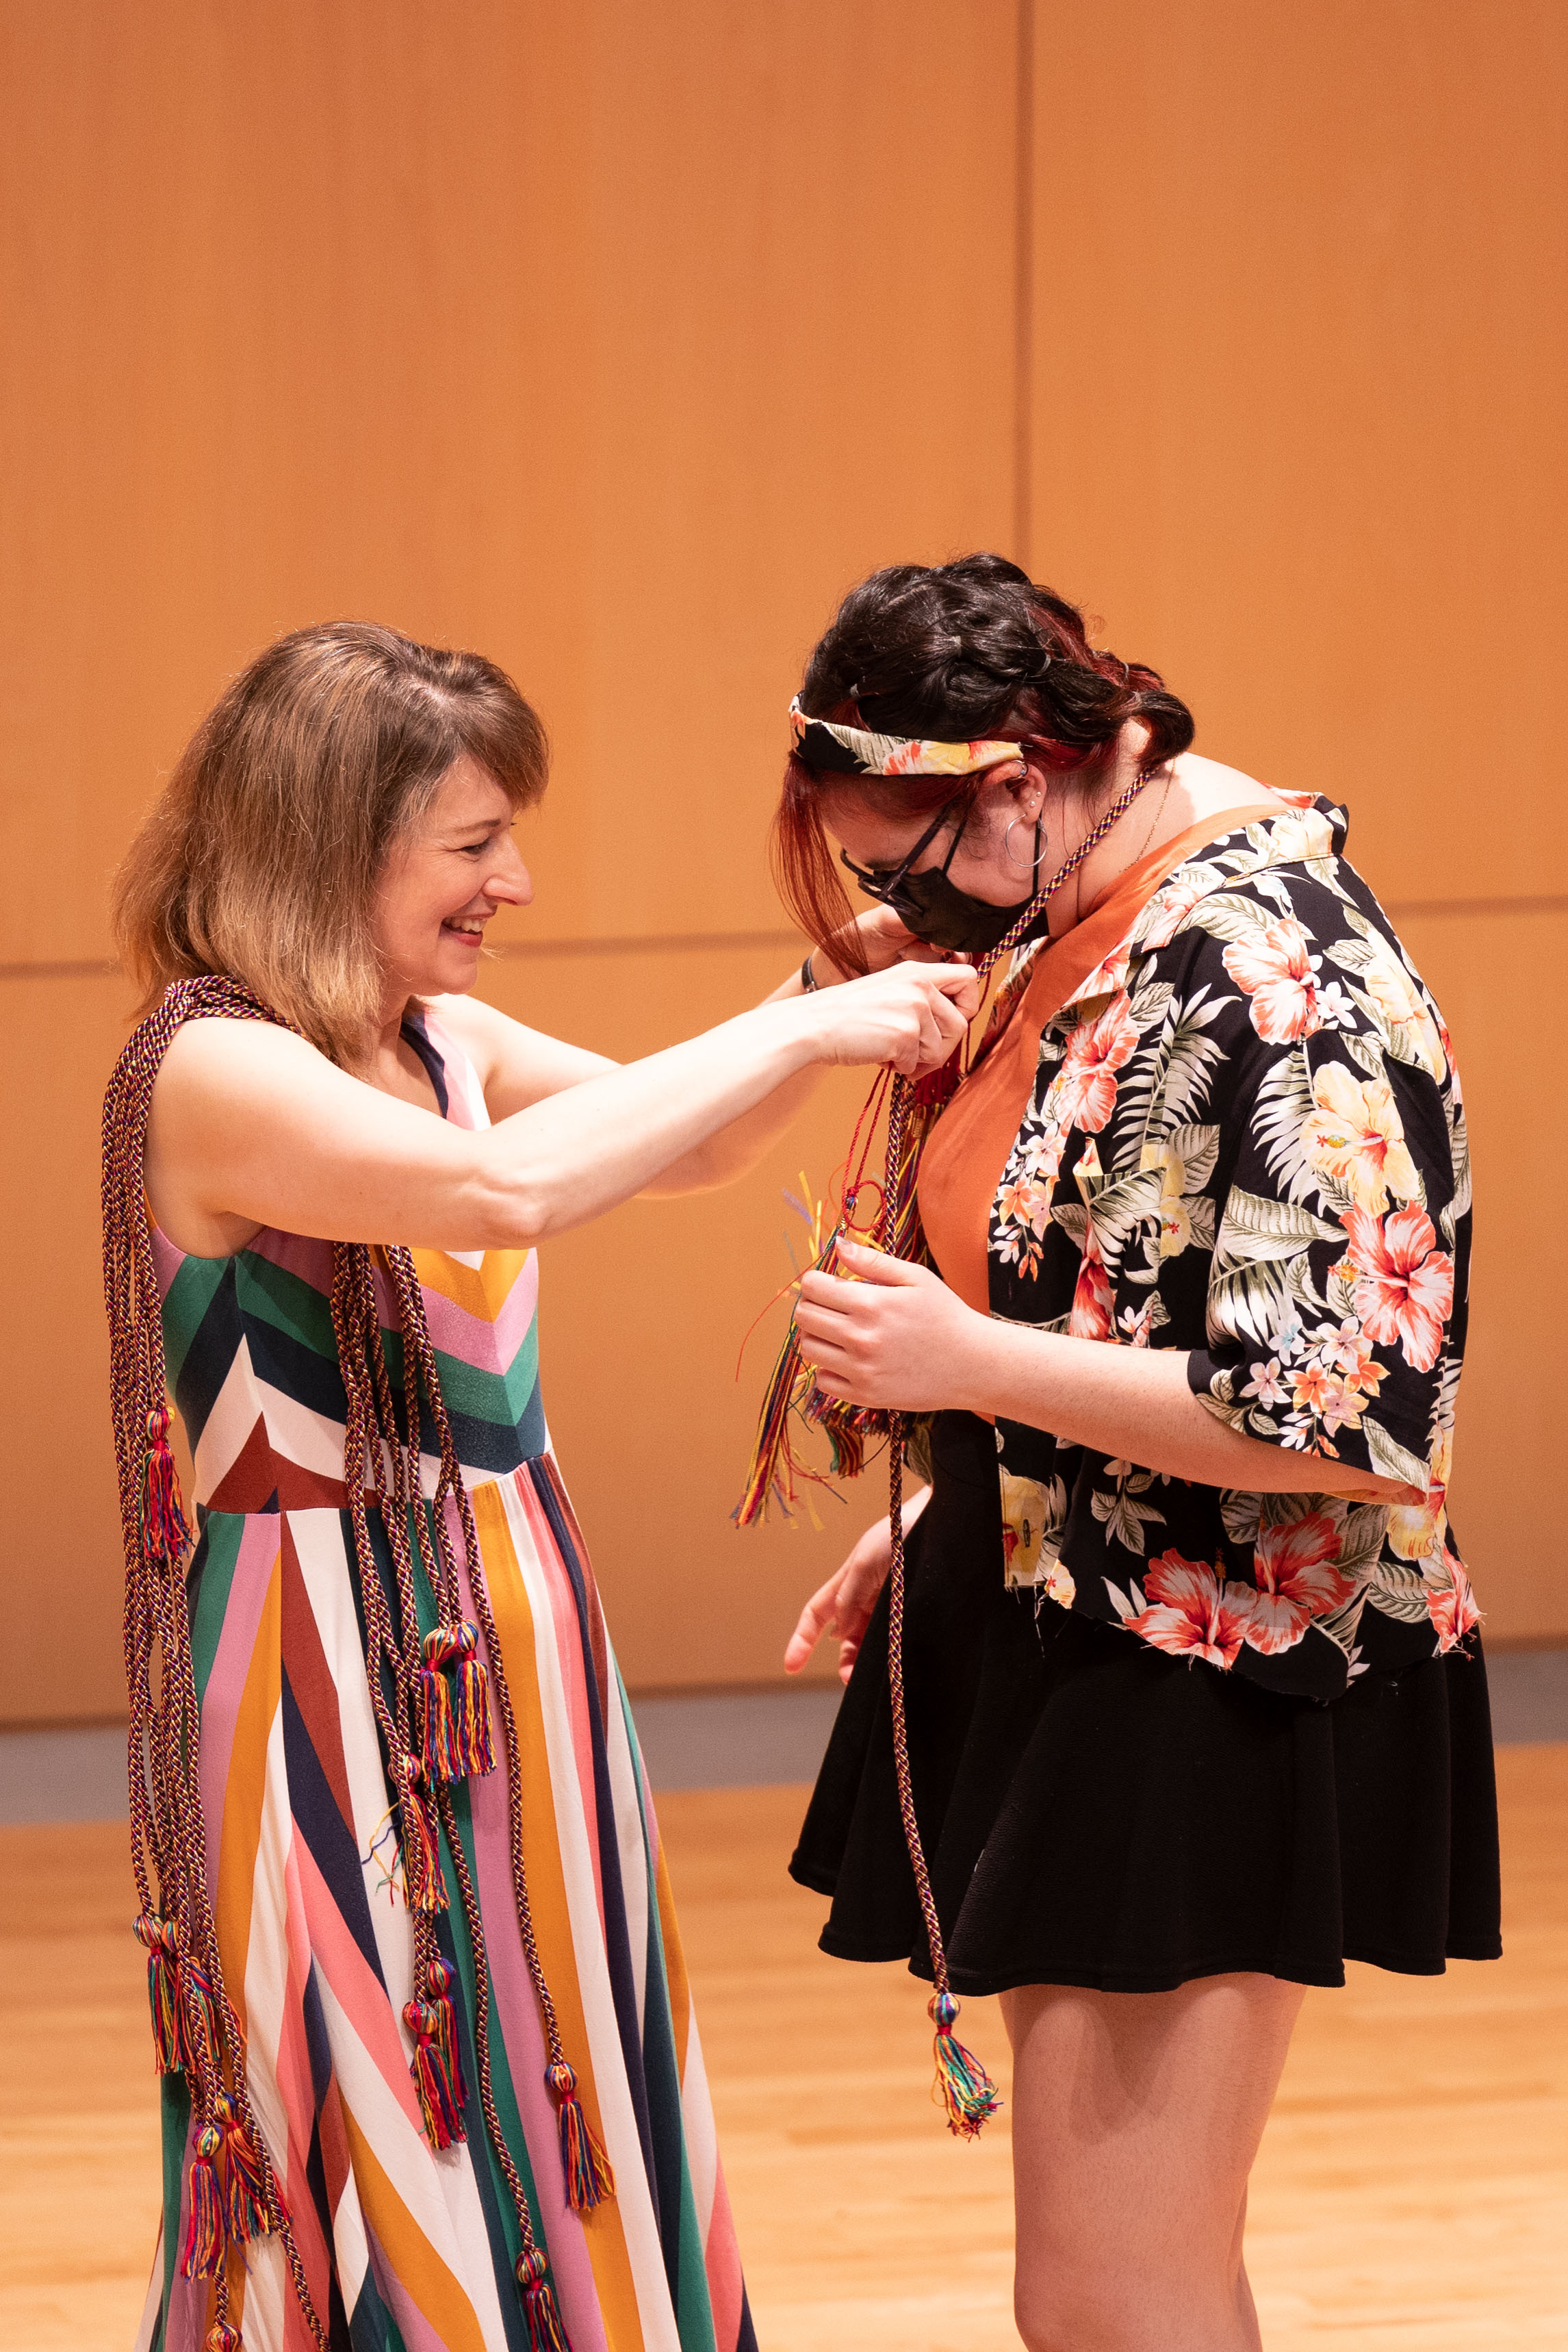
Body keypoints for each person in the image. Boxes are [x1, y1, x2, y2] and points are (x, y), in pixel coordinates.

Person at [105, 620, 977, 2352]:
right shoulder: (212, 1063)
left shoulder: (436, 1030)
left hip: (513, 1639)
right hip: (316, 1669)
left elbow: (690, 1142)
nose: (517, 875)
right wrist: (828, 1016)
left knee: (555, 2043)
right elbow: (499, 1193)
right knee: (372, 2078)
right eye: (475, 838)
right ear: (332, 839)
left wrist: (820, 1001)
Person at [774, 554, 1500, 2352]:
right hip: (1087, 1604)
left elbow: (1349, 1405)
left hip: (1210, 1656)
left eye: (904, 865)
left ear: (1019, 782)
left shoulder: (1275, 977)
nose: (894, 912)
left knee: (1110, 2285)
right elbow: (1116, 1290)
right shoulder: (1095, 907)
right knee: (1131, 2271)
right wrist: (964, 1483)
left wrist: (962, 1363)